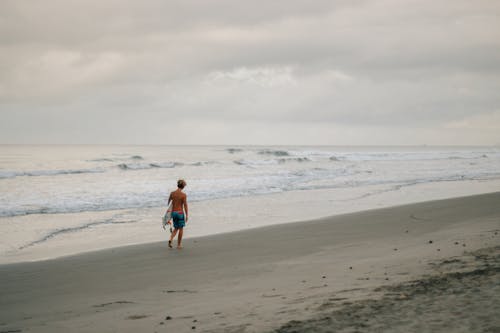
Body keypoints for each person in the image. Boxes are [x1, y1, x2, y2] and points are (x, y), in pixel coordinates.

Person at [167, 179, 188, 249]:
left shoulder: (172, 193)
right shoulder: (183, 195)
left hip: (174, 213)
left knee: (176, 228)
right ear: (183, 186)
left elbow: (169, 202)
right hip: (180, 213)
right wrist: (187, 215)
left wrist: (168, 213)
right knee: (181, 229)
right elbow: (185, 205)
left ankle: (171, 239)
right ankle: (179, 245)